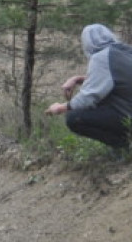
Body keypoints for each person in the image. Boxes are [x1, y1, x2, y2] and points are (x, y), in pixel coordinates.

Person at [46, 24, 132, 153]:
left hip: (127, 115)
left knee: (74, 118)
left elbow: (88, 98)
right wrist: (78, 79)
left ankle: (123, 147)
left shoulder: (101, 57)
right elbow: (114, 80)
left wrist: (61, 107)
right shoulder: (124, 51)